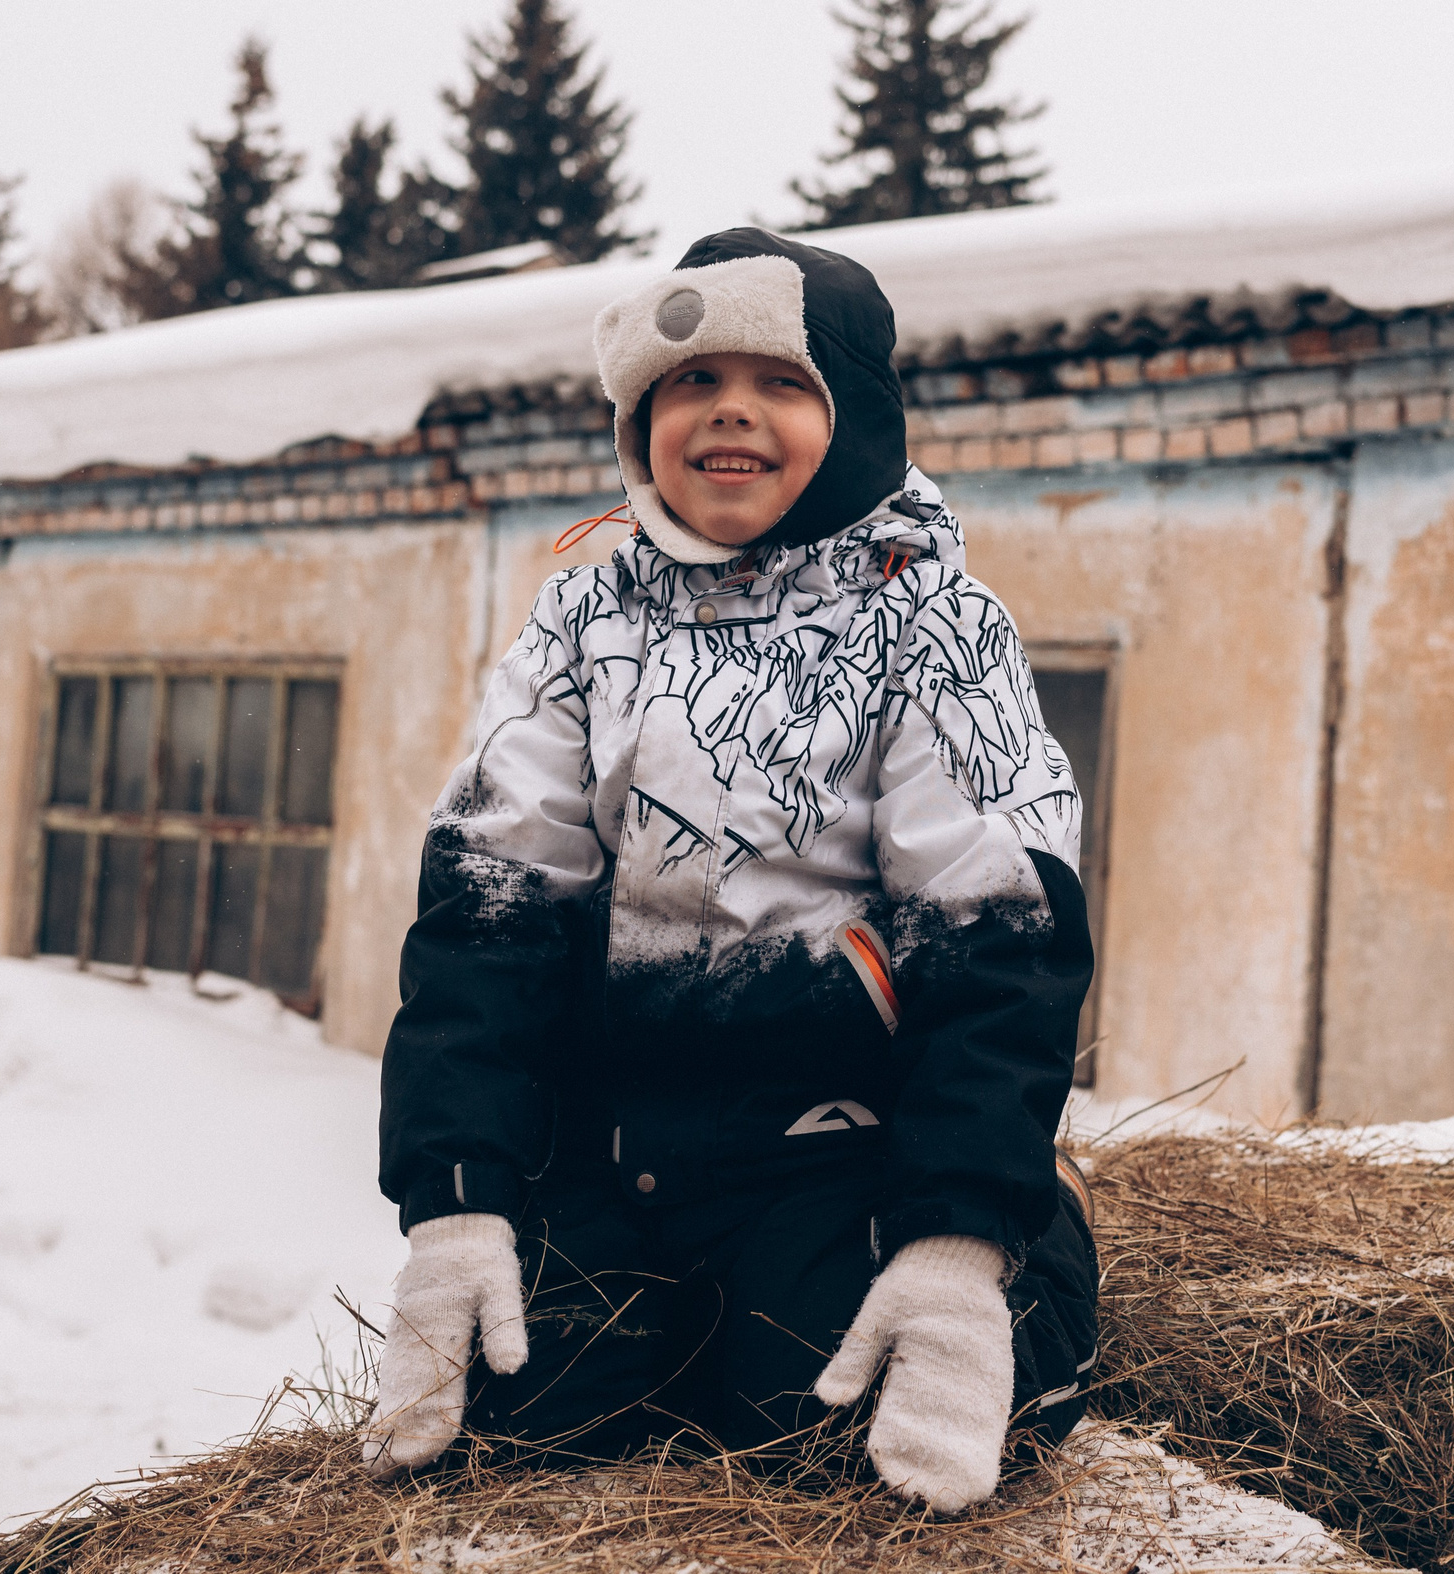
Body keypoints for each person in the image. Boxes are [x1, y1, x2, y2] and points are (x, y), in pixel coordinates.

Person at [361, 227, 1097, 1514]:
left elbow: (997, 936)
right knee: (514, 1408)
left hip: (843, 1142)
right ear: (639, 418)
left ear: (855, 413)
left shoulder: (930, 621)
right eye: (690, 384)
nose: (728, 416)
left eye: (782, 385)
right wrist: (459, 1198)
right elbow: (489, 906)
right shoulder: (583, 618)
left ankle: (1036, 1251)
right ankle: (678, 1309)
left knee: (824, 1429)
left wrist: (954, 1239)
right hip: (622, 1145)